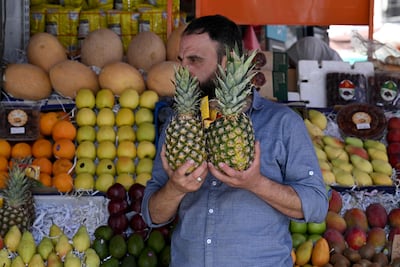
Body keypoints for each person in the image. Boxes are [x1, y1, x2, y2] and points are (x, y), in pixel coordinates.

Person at [141, 14, 328, 267]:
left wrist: (256, 183)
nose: (183, 70)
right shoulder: (178, 124)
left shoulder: (282, 123)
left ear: (227, 63)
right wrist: (175, 190)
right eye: (181, 60)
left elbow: (316, 206)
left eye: (195, 60)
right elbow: (152, 215)